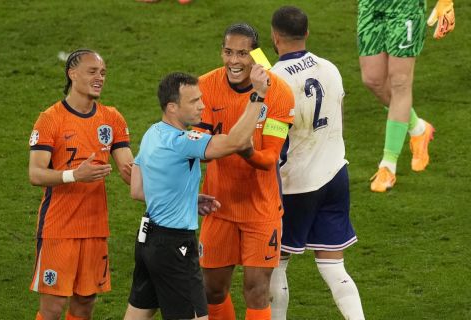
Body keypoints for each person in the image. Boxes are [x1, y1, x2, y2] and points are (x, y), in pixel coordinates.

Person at [123, 70, 270, 320]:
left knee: (137, 315)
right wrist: (258, 95)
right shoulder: (184, 141)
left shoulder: (152, 133)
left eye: (201, 98)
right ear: (172, 107)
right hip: (174, 246)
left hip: (148, 241)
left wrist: (186, 199)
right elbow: (235, 142)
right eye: (193, 101)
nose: (202, 106)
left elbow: (137, 190)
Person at [267, 6, 366, 320]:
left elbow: (275, 142)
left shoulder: (275, 80)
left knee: (276, 262)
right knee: (334, 265)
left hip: (296, 183)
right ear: (306, 33)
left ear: (274, 36)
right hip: (336, 173)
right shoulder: (330, 68)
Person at [195, 23, 295, 320]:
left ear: (256, 55)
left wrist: (245, 149)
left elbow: (269, 159)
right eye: (228, 52)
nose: (234, 61)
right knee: (211, 289)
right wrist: (229, 143)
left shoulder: (278, 93)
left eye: (242, 53)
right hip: (219, 205)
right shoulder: (205, 86)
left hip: (261, 209)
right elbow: (200, 144)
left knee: (257, 289)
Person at [28, 49, 134, 320]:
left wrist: (176, 189)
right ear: (72, 74)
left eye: (102, 73)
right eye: (92, 71)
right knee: (52, 308)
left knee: (85, 303)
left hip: (95, 227)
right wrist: (74, 175)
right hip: (58, 228)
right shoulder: (50, 119)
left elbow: (129, 171)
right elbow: (36, 173)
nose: (100, 77)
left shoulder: (112, 118)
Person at [358, 0, 455, 192]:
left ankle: (388, 166)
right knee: (373, 80)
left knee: (400, 82)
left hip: (406, 9)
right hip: (370, 6)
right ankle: (418, 129)